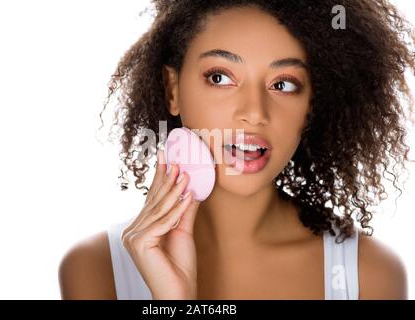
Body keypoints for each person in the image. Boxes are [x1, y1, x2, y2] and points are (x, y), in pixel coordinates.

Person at [59, 0, 415, 299]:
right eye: (220, 77)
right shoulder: (97, 270)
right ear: (173, 90)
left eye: (283, 84)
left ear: (311, 107)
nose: (254, 113)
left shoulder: (370, 276)